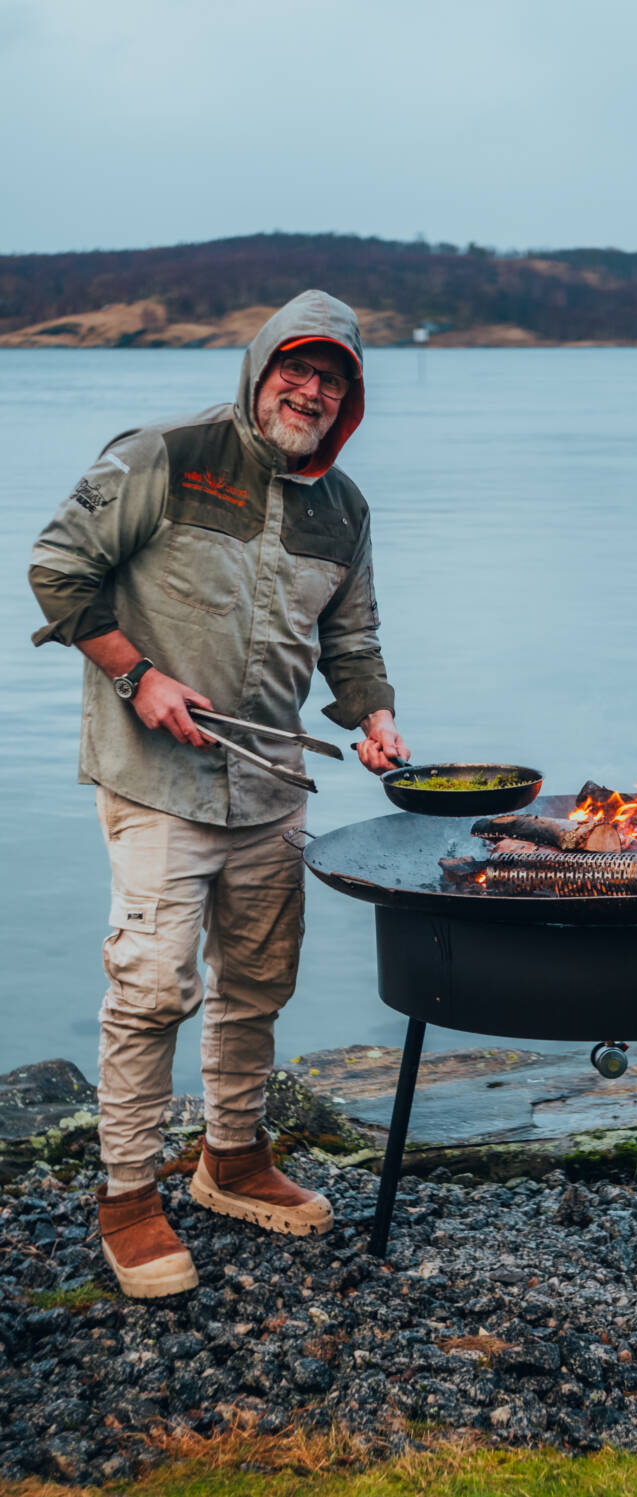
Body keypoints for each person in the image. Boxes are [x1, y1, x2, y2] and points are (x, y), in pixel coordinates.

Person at [28, 290, 409, 1298]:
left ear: (350, 398)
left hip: (274, 782)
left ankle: (230, 1157)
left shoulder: (346, 508)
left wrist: (373, 717)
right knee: (152, 988)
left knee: (258, 980)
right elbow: (59, 571)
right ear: (260, 365)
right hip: (158, 778)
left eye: (332, 379)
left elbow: (351, 639)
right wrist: (137, 676)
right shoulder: (167, 453)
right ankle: (125, 1195)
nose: (310, 389)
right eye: (297, 367)